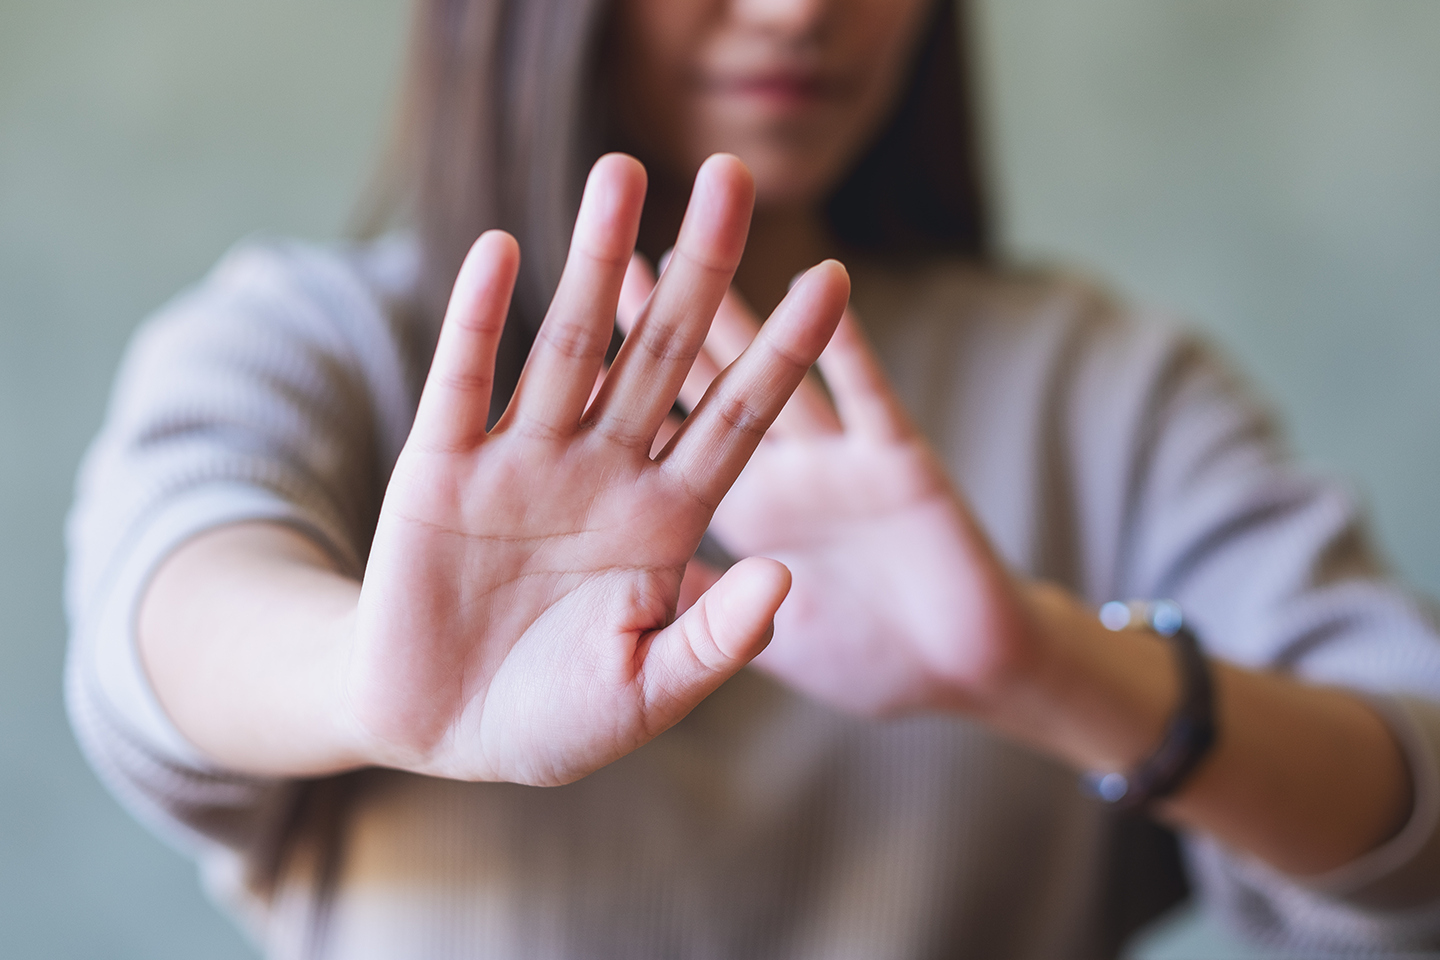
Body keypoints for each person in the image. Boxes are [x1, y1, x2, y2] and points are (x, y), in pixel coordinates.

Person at [65, 0, 1440, 956]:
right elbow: (172, 590)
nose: (799, 9)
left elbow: (1419, 816)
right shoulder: (326, 347)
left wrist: (1049, 669)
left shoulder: (1102, 385)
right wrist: (365, 677)